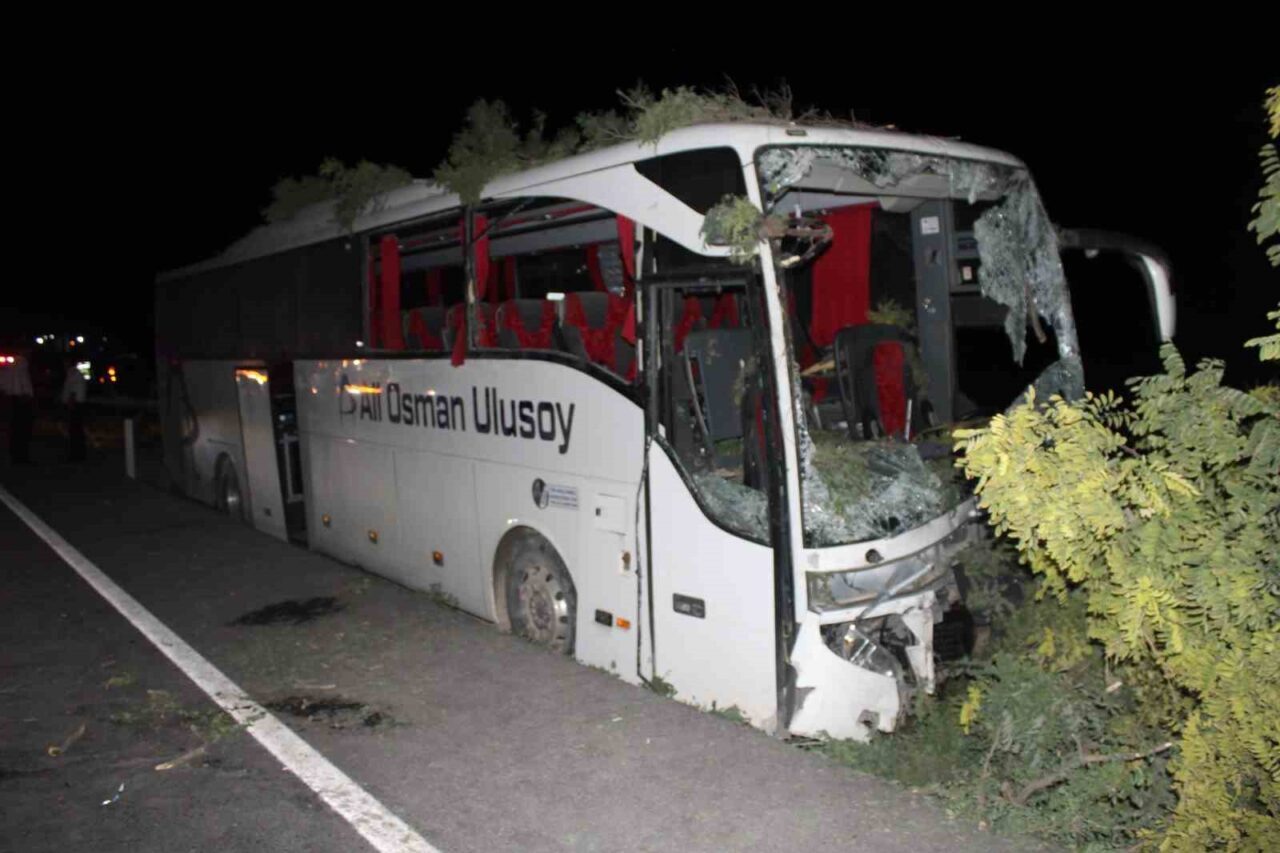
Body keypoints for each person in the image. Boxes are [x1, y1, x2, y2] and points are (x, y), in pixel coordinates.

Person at [1, 350, 35, 463]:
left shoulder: (10, 366)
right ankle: (21, 456)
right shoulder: (21, 363)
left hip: (14, 398)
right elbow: (22, 382)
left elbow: (4, 382)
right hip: (21, 399)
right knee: (22, 429)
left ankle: (16, 455)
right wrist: (24, 394)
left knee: (15, 428)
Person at [61, 360, 88, 461]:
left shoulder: (73, 373)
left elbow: (73, 390)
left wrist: (70, 403)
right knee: (76, 430)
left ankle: (76, 455)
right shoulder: (74, 373)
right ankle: (77, 454)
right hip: (75, 404)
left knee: (75, 431)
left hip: (75, 405)